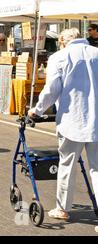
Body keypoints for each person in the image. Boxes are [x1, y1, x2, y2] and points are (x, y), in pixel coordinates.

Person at [28, 28, 98, 228]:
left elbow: (51, 89)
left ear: (62, 42)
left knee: (67, 164)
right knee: (97, 168)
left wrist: (37, 111)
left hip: (73, 119)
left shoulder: (60, 57)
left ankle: (62, 208)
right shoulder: (96, 54)